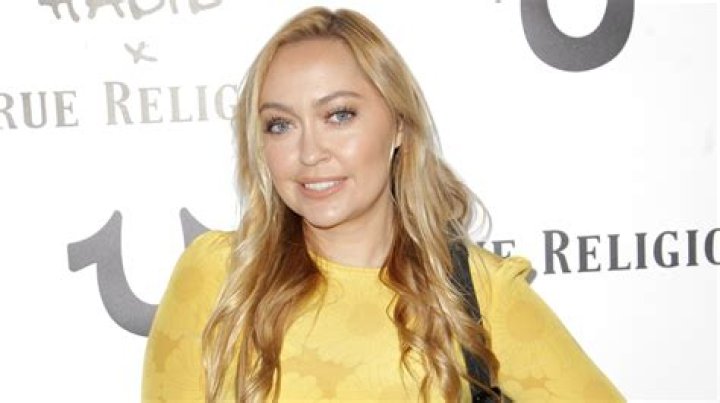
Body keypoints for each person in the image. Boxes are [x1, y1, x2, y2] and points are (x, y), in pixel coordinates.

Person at [142, 6, 624, 403]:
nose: (309, 152)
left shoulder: (479, 293)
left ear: (398, 126)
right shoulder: (219, 278)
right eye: (280, 125)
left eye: (339, 115)